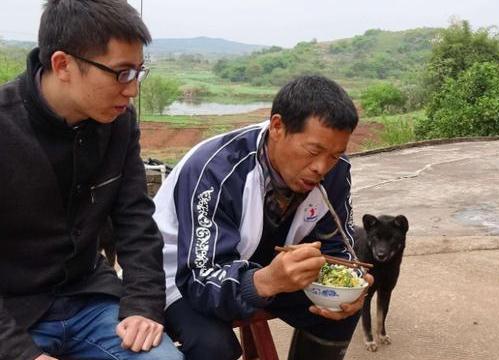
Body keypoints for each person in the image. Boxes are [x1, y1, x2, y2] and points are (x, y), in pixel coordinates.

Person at [0, 1, 183, 360]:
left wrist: (143, 305)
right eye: (121, 73)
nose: (131, 90)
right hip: (13, 313)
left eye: (138, 72)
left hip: (88, 299)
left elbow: (135, 222)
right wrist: (20, 353)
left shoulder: (119, 124)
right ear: (63, 64)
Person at [153, 75, 373, 360]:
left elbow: (337, 250)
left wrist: (349, 287)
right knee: (214, 347)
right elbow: (200, 278)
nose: (322, 167)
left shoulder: (335, 172)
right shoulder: (216, 170)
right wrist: (265, 281)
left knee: (337, 311)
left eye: (335, 155)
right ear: (278, 127)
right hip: (181, 271)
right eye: (313, 151)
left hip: (264, 264)